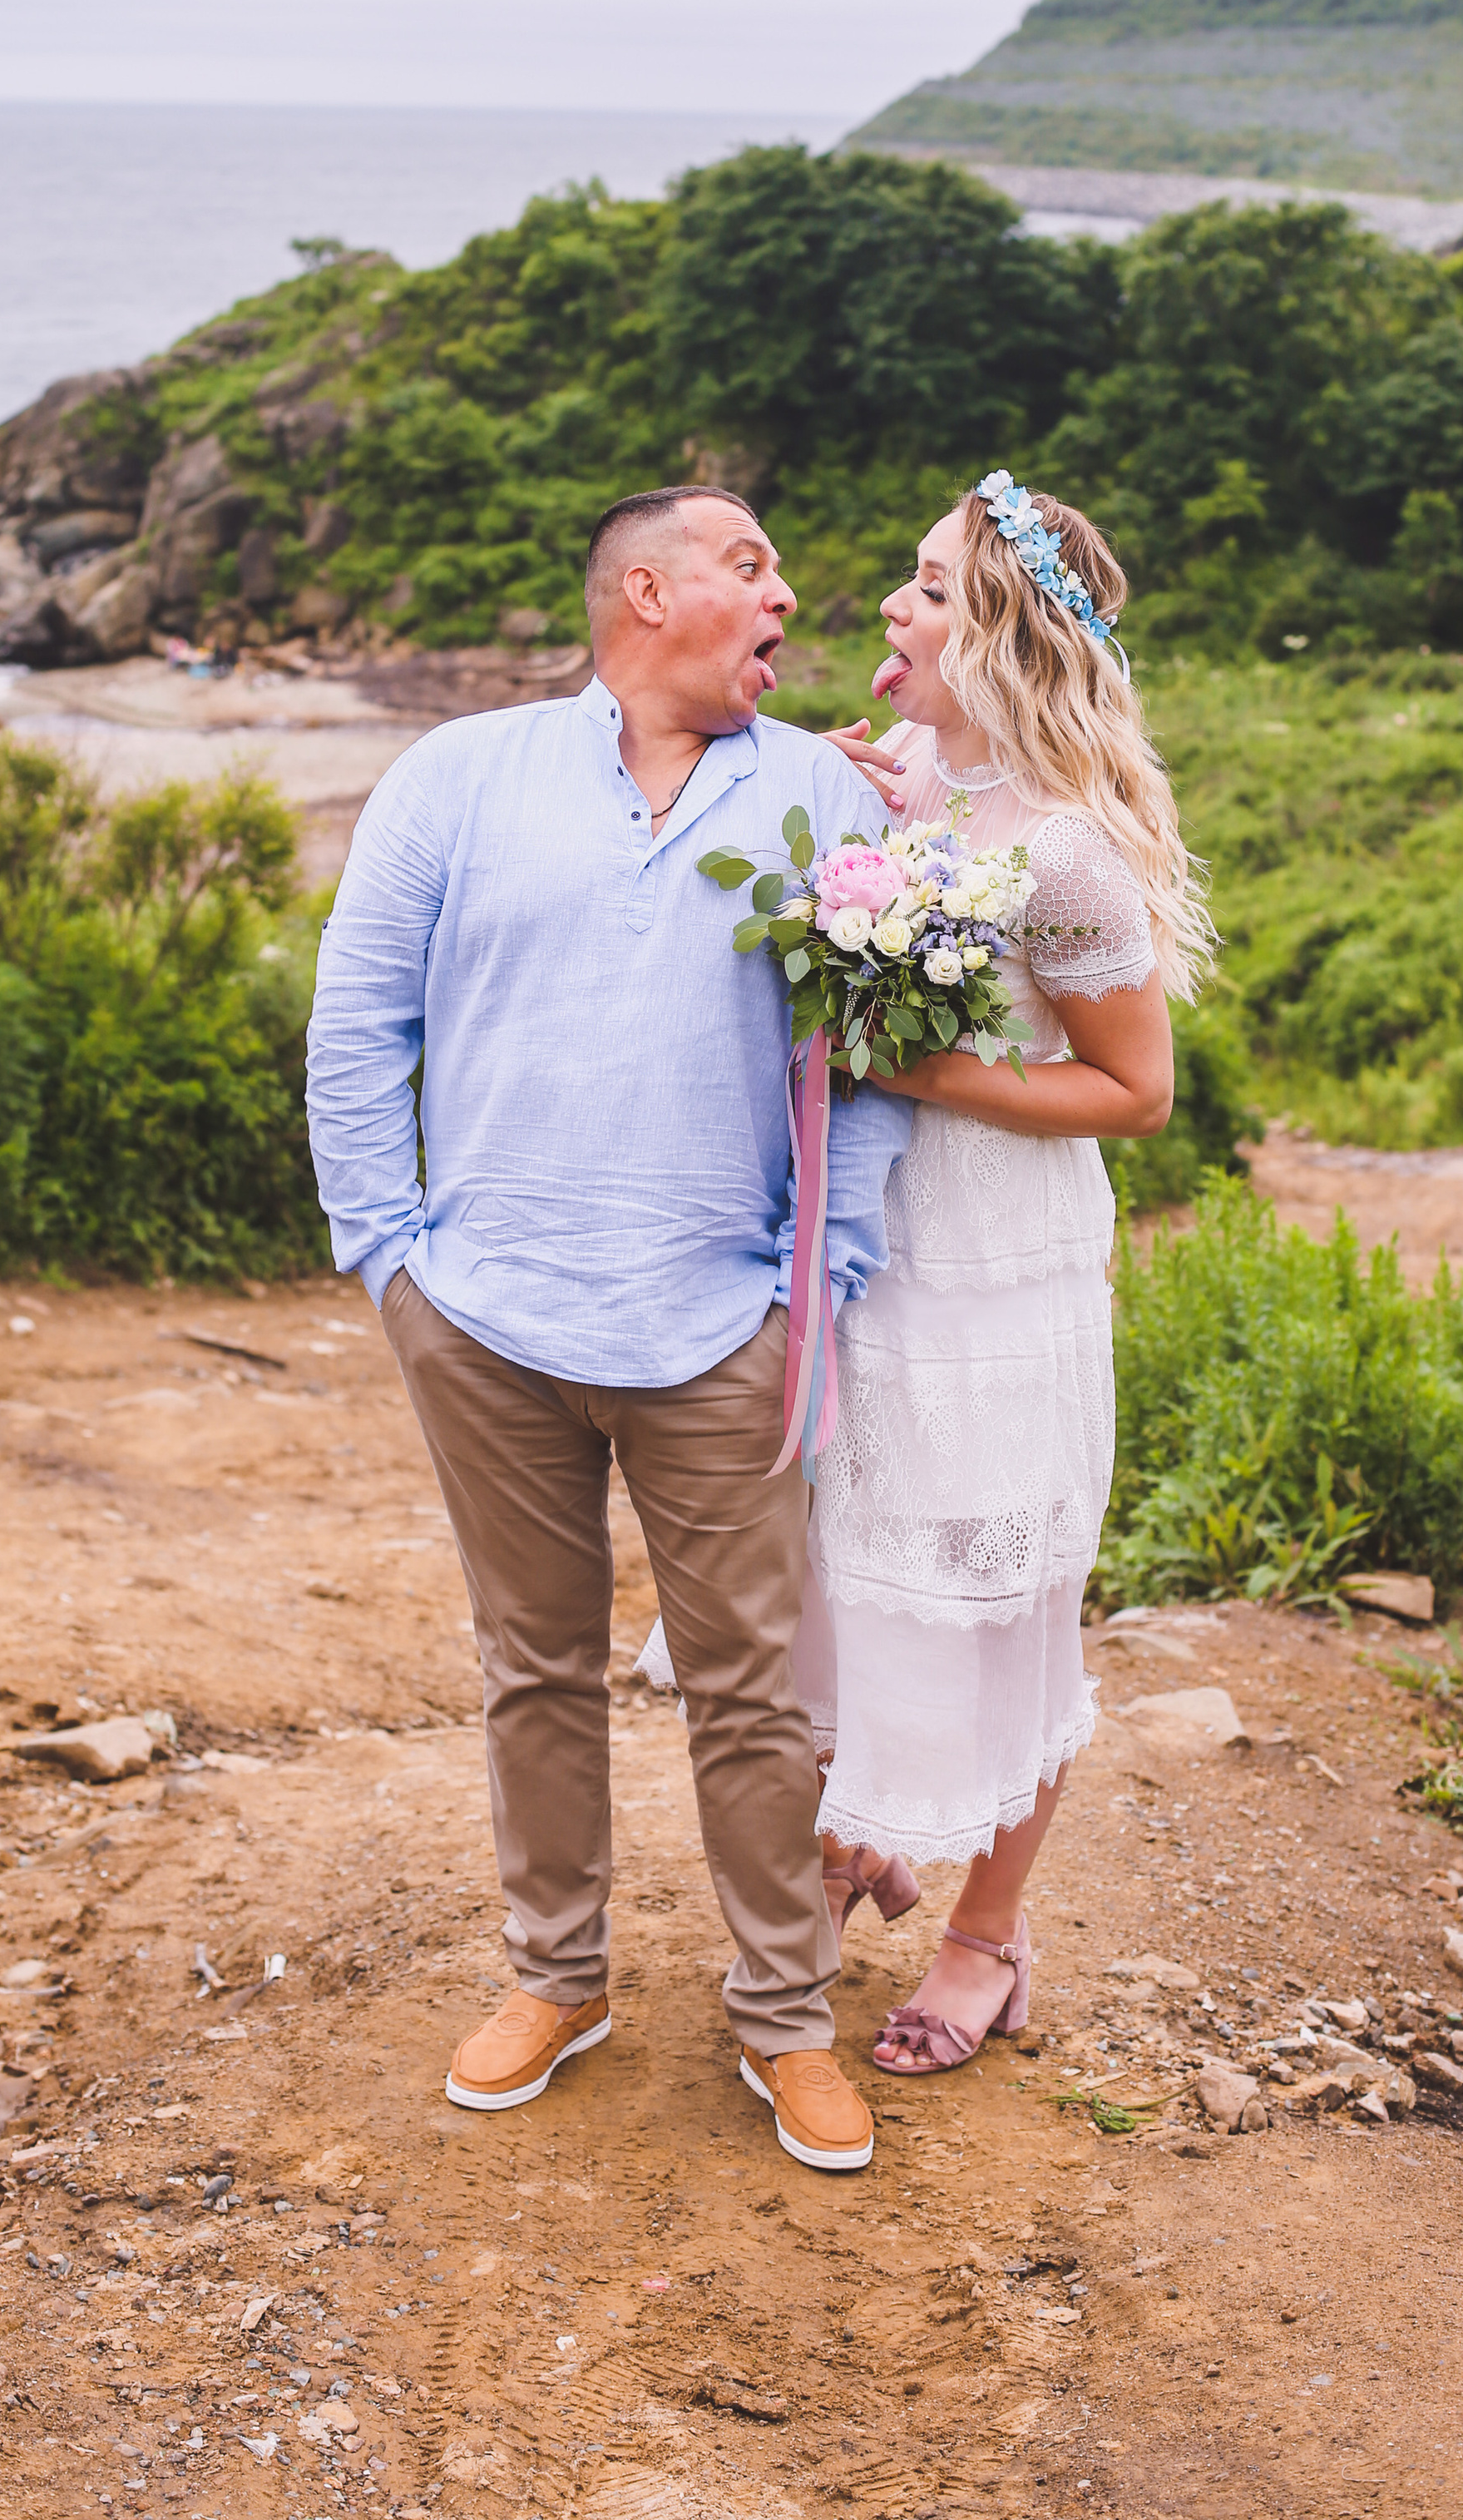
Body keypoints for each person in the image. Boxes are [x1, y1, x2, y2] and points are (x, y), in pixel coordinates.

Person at [305, 487, 912, 2171]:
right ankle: (554, 1978)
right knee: (535, 1672)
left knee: (754, 1700)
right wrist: (389, 1262)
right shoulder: (456, 776)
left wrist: (819, 1283)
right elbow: (357, 1022)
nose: (789, 593)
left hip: (722, 1320)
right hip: (483, 1319)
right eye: (751, 564)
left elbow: (867, 1071)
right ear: (648, 593)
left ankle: (784, 2019)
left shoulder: (819, 797)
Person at [799, 472, 1213, 2072]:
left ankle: (988, 1935)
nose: (890, 613)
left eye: (924, 590)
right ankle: (860, 1838)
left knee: (999, 1592)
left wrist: (926, 1078)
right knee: (843, 1564)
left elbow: (1139, 1095)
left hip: (1000, 1265)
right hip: (863, 1251)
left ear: (1002, 639)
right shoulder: (895, 779)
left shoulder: (1069, 859)